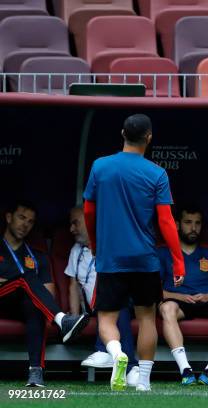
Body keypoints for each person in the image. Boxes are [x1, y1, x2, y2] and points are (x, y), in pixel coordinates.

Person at [83, 114, 185, 392]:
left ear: (122, 133)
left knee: (106, 319)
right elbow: (166, 221)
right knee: (147, 319)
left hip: (111, 259)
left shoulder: (100, 166)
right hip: (145, 259)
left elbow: (88, 212)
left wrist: (94, 243)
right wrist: (177, 261)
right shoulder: (156, 173)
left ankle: (117, 355)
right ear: (149, 138)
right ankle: (144, 382)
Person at [0, 201, 89, 387]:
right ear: (9, 218)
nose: (25, 224)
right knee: (25, 278)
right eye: (21, 217)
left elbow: (47, 292)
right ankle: (62, 320)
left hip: (20, 306)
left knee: (35, 309)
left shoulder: (37, 256)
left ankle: (36, 372)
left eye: (30, 221)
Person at [157, 205, 208, 386]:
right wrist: (181, 297)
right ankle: (185, 370)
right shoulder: (163, 252)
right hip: (178, 302)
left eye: (197, 223)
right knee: (167, 308)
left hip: (206, 301)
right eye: (188, 222)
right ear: (177, 224)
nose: (193, 228)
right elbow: (154, 291)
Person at [64, 207, 139, 385]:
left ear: (91, 222)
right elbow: (73, 285)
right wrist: (75, 317)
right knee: (110, 306)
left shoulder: (112, 245)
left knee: (116, 304)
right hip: (93, 307)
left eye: (75, 223)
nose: (71, 229)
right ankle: (129, 366)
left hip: (120, 302)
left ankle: (106, 352)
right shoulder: (76, 251)